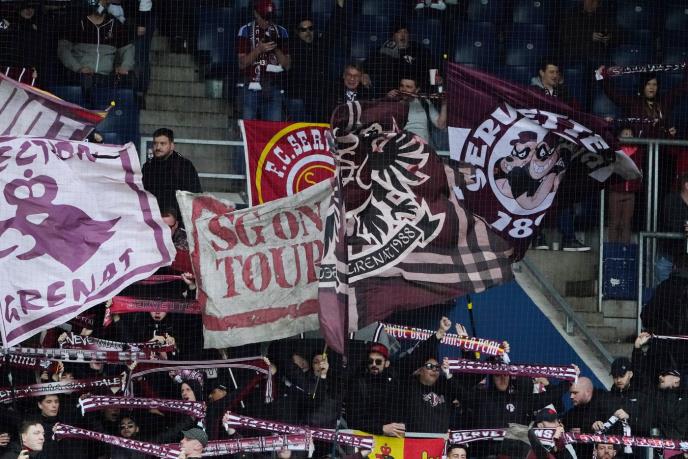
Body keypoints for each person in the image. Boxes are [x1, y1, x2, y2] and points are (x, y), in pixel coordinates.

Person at [57, 0, 134, 107]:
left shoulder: (115, 24)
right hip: (80, 75)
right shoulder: (77, 22)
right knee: (85, 85)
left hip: (107, 76)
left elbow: (127, 49)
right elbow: (63, 50)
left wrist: (124, 66)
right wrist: (78, 68)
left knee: (123, 85)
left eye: (104, 3)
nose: (102, 6)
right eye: (100, 3)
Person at [236, 0, 291, 121]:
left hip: (273, 87)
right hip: (251, 86)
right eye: (264, 17)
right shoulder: (245, 30)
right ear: (256, 13)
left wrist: (275, 47)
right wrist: (259, 49)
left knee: (273, 127)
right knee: (248, 125)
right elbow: (242, 63)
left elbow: (287, 65)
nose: (267, 21)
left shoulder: (281, 32)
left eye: (270, 17)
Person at [346, 343, 405, 436]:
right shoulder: (358, 384)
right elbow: (353, 420)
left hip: (390, 439)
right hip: (364, 439)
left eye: (378, 362)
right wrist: (381, 428)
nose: (373, 364)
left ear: (386, 363)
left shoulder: (394, 383)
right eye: (370, 361)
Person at [141, 128, 202, 216]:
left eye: (163, 144)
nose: (158, 147)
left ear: (172, 146)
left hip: (178, 218)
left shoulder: (184, 165)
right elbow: (142, 193)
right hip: (152, 216)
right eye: (155, 143)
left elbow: (194, 195)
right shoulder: (148, 167)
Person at [366, 22, 436, 96]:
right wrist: (365, 73)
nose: (403, 35)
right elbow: (368, 65)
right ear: (393, 36)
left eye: (405, 32)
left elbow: (432, 68)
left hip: (416, 92)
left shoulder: (419, 49)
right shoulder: (384, 50)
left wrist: (435, 79)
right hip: (392, 93)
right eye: (399, 32)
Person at [386, 77, 447, 147]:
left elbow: (441, 125)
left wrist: (444, 103)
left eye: (408, 87)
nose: (404, 89)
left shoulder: (424, 103)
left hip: (423, 146)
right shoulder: (394, 102)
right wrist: (387, 100)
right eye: (402, 86)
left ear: (417, 90)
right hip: (400, 146)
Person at [607, 126, 643, 243]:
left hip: (631, 193)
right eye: (625, 134)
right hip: (616, 191)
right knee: (615, 221)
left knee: (626, 223)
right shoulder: (615, 151)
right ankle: (613, 249)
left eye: (630, 134)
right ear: (619, 137)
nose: (628, 136)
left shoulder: (638, 151)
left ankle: (624, 249)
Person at [285, 18, 325, 122]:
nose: (308, 32)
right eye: (303, 30)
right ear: (297, 32)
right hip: (297, 96)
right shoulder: (292, 48)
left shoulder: (320, 46)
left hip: (316, 96)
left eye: (310, 28)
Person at [655, 174, 688, 284]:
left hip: (684, 262)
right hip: (669, 259)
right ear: (687, 185)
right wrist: (685, 226)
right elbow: (674, 224)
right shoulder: (672, 200)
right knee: (665, 290)